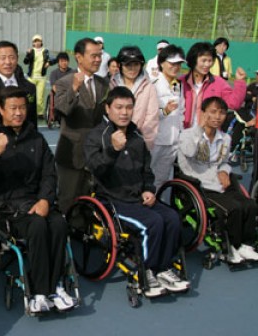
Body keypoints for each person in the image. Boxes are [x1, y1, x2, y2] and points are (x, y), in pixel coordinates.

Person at [0, 87, 75, 313]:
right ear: (1, 110)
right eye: (13, 108)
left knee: (59, 223)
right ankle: (39, 292)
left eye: (22, 107)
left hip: (36, 201)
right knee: (38, 226)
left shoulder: (36, 139)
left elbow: (49, 174)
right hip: (5, 207)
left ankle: (56, 286)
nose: (18, 113)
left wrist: (45, 200)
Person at [85, 86, 190, 297]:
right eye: (119, 107)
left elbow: (146, 171)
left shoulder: (136, 135)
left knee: (172, 218)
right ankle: (148, 271)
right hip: (113, 199)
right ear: (107, 109)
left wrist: (149, 190)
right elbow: (95, 169)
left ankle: (163, 268)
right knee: (153, 222)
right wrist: (113, 150)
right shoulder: (96, 135)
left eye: (129, 107)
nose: (124, 112)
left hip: (138, 196)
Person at [178, 97, 258, 263]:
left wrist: (223, 170)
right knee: (233, 208)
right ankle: (234, 246)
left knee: (250, 205)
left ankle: (246, 245)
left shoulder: (225, 138)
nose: (217, 116)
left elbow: (224, 162)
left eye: (221, 113)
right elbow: (189, 152)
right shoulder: (187, 135)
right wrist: (200, 130)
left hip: (219, 181)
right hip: (199, 182)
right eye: (212, 112)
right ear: (203, 113)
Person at [54, 37, 108, 213]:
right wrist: (74, 89)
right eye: (94, 56)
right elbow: (62, 110)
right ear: (79, 57)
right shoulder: (64, 82)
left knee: (90, 201)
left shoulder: (103, 84)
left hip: (95, 154)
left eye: (100, 55)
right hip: (72, 154)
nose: (98, 60)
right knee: (68, 200)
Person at [181, 42, 246, 129]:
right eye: (204, 61)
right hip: (182, 132)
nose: (207, 64)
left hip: (207, 134)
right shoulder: (180, 82)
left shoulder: (219, 83)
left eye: (210, 61)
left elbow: (234, 104)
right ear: (193, 60)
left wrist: (240, 82)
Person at [151, 45, 187, 189]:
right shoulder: (153, 84)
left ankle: (157, 200)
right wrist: (164, 111)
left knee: (162, 179)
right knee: (148, 175)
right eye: (172, 63)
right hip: (156, 140)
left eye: (178, 64)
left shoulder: (178, 85)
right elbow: (148, 113)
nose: (176, 67)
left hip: (173, 141)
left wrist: (181, 135)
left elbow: (181, 112)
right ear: (162, 63)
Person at [110, 46, 159, 150]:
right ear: (120, 65)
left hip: (138, 143)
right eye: (128, 65)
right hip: (114, 140)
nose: (132, 69)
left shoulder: (149, 87)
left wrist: (143, 142)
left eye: (136, 64)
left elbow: (151, 119)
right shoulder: (111, 84)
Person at [23, 34, 51, 118]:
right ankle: (28, 111)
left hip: (41, 78)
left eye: (38, 41)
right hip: (32, 77)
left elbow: (53, 59)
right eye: (35, 41)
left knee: (40, 97)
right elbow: (25, 62)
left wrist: (49, 63)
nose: (37, 43)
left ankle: (40, 113)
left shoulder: (45, 51)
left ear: (41, 42)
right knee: (29, 96)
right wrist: (28, 54)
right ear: (33, 43)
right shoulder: (31, 51)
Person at [48, 52, 75, 125]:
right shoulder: (54, 73)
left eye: (66, 61)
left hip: (70, 93)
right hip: (58, 94)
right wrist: (62, 95)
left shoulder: (73, 72)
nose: (64, 63)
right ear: (58, 62)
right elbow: (54, 87)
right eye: (62, 61)